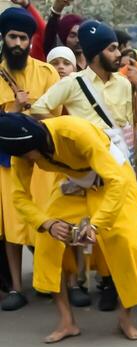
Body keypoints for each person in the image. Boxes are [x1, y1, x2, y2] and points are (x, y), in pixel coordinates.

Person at [0, 113, 137, 341]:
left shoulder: (75, 132)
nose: (28, 161)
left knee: (126, 237)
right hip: (73, 183)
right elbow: (19, 197)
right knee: (46, 240)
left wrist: (96, 225)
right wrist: (47, 223)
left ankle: (126, 317)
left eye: (28, 155)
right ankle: (66, 321)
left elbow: (116, 182)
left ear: (36, 143)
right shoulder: (21, 154)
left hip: (113, 181)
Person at [30, 21, 137, 315]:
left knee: (127, 236)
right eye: (112, 49)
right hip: (80, 170)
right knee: (50, 237)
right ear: (97, 52)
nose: (118, 54)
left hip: (116, 167)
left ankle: (127, 311)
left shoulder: (123, 82)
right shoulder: (72, 83)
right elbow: (39, 110)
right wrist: (66, 135)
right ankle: (66, 318)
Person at [0, 5, 59, 311]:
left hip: (42, 161)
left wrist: (29, 108)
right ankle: (15, 288)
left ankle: (57, 282)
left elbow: (56, 114)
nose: (19, 44)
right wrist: (12, 111)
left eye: (23, 38)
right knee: (12, 226)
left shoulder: (47, 72)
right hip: (7, 164)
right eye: (13, 37)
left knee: (49, 217)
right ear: (3, 38)